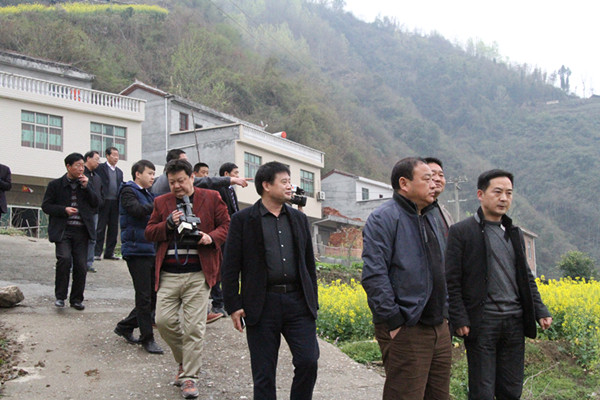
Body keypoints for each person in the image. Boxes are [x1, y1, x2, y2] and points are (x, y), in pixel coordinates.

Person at [445, 169, 553, 400]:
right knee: (482, 390)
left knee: (511, 389)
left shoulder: (514, 232)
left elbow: (525, 277)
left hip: (514, 321)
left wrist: (540, 309)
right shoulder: (462, 232)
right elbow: (452, 280)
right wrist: (459, 318)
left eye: (509, 193)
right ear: (480, 194)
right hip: (483, 322)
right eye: (498, 192)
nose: (504, 198)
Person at [222, 161, 319, 400]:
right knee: (264, 373)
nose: (289, 186)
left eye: (289, 181)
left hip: (298, 302)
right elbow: (230, 266)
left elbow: (308, 264)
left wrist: (312, 301)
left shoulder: (298, 219)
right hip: (262, 303)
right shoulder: (243, 220)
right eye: (284, 182)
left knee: (308, 361)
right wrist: (233, 305)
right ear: (266, 185)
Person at [361, 157, 451, 400]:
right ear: (404, 183)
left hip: (439, 327)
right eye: (427, 179)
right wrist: (394, 320)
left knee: (439, 395)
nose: (433, 183)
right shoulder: (384, 218)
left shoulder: (433, 216)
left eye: (435, 178)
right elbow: (374, 274)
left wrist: (447, 315)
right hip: (408, 327)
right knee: (405, 395)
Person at [145, 159, 230, 399]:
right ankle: (185, 360)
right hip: (168, 274)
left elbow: (226, 225)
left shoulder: (211, 197)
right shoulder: (161, 202)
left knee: (194, 327)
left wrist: (210, 237)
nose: (176, 186)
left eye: (181, 181)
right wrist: (167, 224)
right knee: (163, 321)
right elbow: (149, 232)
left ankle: (189, 377)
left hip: (198, 273)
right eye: (172, 182)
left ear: (192, 177)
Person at [114, 160, 163, 354]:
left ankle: (125, 326)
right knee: (144, 296)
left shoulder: (148, 194)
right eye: (150, 173)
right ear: (138, 174)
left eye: (154, 174)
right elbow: (136, 211)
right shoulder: (128, 191)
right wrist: (158, 206)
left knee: (153, 295)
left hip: (150, 249)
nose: (152, 177)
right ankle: (147, 338)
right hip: (135, 250)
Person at [42, 153, 98, 310]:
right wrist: (63, 210)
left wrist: (87, 187)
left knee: (81, 265)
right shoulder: (55, 185)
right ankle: (60, 297)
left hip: (81, 231)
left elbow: (96, 203)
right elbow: (46, 206)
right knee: (64, 260)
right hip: (63, 230)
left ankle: (77, 299)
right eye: (77, 165)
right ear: (68, 166)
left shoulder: (86, 184)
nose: (81, 169)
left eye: (82, 166)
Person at [208, 162, 241, 317]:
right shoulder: (218, 189)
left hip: (231, 233)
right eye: (235, 173)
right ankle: (217, 302)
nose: (238, 176)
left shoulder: (231, 190)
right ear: (226, 174)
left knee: (228, 266)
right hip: (221, 234)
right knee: (218, 267)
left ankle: (225, 301)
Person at [151, 149, 248, 196]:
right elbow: (206, 181)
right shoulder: (164, 181)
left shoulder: (157, 180)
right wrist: (231, 180)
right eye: (184, 161)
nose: (177, 186)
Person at [95, 147, 123, 260]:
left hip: (115, 202)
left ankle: (109, 253)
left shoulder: (119, 172)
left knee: (113, 228)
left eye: (117, 155)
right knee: (101, 227)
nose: (116, 158)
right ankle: (97, 252)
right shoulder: (100, 168)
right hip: (104, 201)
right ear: (107, 156)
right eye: (113, 155)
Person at [425, 157, 454, 248]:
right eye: (432, 174)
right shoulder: (413, 212)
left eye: (441, 175)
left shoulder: (445, 214)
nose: (438, 179)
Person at [83, 151, 103, 273]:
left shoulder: (97, 177)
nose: (98, 162)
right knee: (80, 237)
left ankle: (88, 263)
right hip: (82, 211)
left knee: (92, 238)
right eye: (96, 159)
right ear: (88, 158)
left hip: (95, 211)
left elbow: (100, 193)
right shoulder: (81, 175)